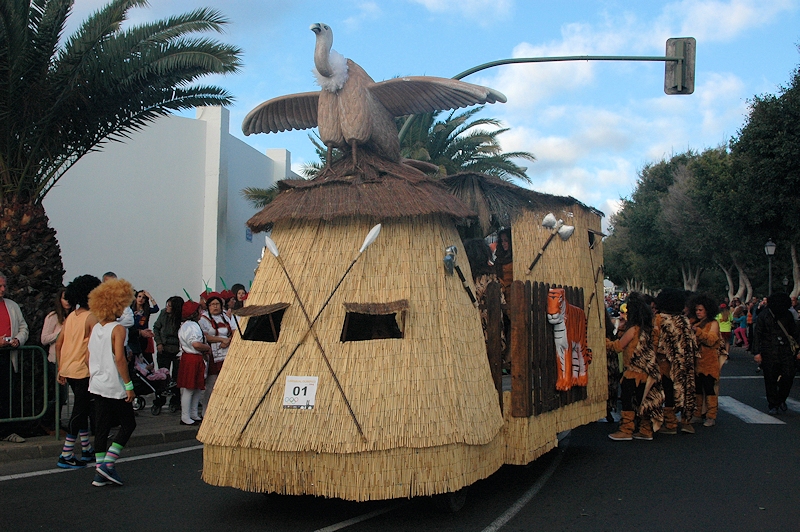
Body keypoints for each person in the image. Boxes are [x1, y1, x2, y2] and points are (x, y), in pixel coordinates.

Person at [86, 278, 136, 486]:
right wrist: (129, 385)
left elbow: (88, 356)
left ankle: (100, 472)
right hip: (113, 384)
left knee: (102, 426)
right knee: (129, 424)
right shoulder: (118, 329)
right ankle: (108, 464)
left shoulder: (96, 327)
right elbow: (120, 359)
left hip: (96, 383)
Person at [55, 275, 101, 468]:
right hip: (84, 370)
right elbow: (96, 347)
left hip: (69, 369)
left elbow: (59, 344)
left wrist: (60, 368)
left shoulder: (71, 317)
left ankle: (86, 448)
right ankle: (66, 454)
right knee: (80, 410)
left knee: (82, 409)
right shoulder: (91, 318)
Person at [605, 293, 663, 441]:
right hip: (648, 371)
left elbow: (618, 347)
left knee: (627, 401)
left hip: (633, 372)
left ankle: (626, 429)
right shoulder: (651, 330)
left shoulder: (633, 330)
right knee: (643, 401)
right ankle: (645, 430)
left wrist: (604, 341)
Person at [652, 288, 699, 435]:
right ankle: (686, 421)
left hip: (666, 362)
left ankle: (670, 423)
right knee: (686, 389)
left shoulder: (660, 319)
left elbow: (655, 340)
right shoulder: (684, 320)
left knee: (668, 391)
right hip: (685, 360)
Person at [753, 292, 800, 415]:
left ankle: (781, 398)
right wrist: (757, 352)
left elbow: (795, 333)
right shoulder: (764, 315)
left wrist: (798, 350)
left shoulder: (787, 315)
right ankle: (773, 404)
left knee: (789, 375)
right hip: (769, 350)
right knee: (770, 378)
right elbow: (757, 334)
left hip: (785, 350)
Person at [0, 272, 30, 443]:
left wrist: (18, 340)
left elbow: (23, 327)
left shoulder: (12, 306)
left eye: (4, 286)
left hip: (7, 356)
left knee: (6, 395)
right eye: (0, 286)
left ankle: (6, 431)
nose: (3, 289)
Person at [40, 287, 72, 432]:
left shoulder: (73, 316)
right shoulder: (53, 317)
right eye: (65, 298)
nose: (67, 301)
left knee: (63, 395)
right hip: (55, 359)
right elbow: (44, 338)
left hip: (69, 359)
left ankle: (56, 422)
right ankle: (48, 421)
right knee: (59, 393)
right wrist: (60, 333)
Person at [688, 293, 722, 427]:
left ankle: (711, 415)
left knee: (709, 389)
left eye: (700, 310)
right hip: (696, 362)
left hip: (709, 362)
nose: (698, 312)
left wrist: (698, 332)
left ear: (708, 310)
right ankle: (697, 414)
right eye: (696, 310)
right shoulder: (694, 322)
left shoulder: (713, 323)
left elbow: (711, 340)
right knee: (697, 390)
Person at [176, 300, 211, 425]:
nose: (201, 313)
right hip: (192, 358)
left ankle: (193, 414)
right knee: (190, 388)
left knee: (196, 388)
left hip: (193, 358)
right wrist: (207, 348)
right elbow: (196, 344)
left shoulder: (189, 325)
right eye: (199, 311)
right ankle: (186, 416)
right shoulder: (191, 326)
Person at [199, 292, 233, 410]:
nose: (215, 306)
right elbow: (205, 336)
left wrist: (228, 341)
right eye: (212, 304)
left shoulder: (226, 316)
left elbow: (233, 331)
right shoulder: (203, 319)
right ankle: (206, 409)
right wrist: (221, 340)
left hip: (226, 352)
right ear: (208, 306)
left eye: (217, 304)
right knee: (211, 383)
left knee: (225, 382)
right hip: (213, 354)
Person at [153, 296, 183, 384]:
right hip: (164, 347)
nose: (167, 307)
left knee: (177, 376)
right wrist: (159, 343)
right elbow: (156, 328)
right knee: (163, 374)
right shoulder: (163, 313)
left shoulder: (181, 318)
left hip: (177, 349)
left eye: (170, 306)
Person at [128, 290, 159, 362]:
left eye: (143, 297)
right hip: (133, 336)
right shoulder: (131, 310)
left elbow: (156, 309)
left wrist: (150, 297)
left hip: (143, 338)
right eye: (139, 296)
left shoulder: (146, 311)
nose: (141, 299)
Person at [494, 228, 513, 295]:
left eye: (506, 241)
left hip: (514, 292)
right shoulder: (498, 260)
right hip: (502, 293)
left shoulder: (516, 259)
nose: (503, 243)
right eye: (502, 241)